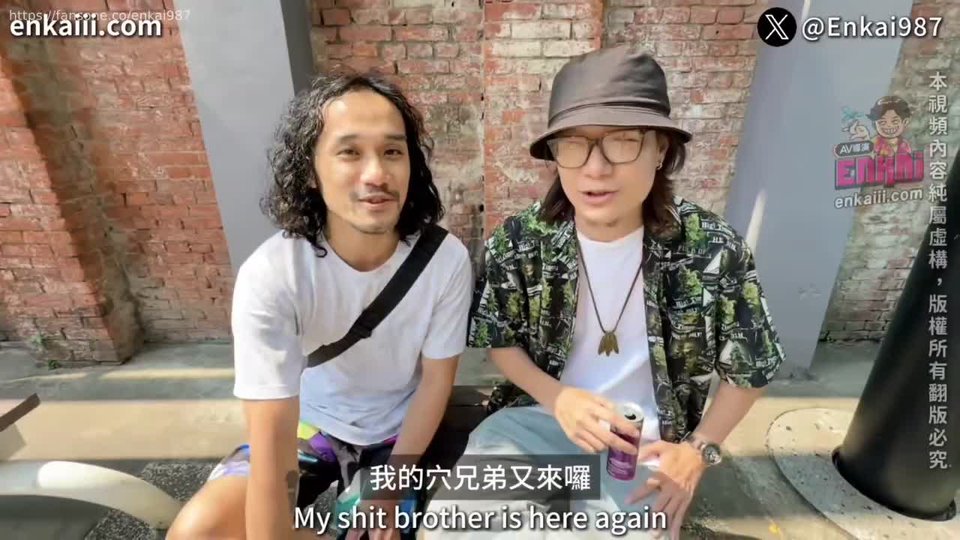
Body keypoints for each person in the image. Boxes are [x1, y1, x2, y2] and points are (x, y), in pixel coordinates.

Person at [423, 46, 786, 539]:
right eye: (573, 145)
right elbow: (499, 340)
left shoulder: (712, 250)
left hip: (644, 446)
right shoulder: (520, 242)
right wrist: (558, 398)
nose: (595, 168)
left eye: (622, 141)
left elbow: (752, 366)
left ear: (661, 150)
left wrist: (698, 450)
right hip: (533, 426)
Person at [166, 72, 474, 540]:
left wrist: (390, 490)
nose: (376, 174)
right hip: (311, 426)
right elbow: (272, 439)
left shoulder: (444, 260)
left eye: (393, 151)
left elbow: (436, 382)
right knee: (199, 532)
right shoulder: (274, 274)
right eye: (350, 152)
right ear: (311, 170)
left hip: (397, 435)